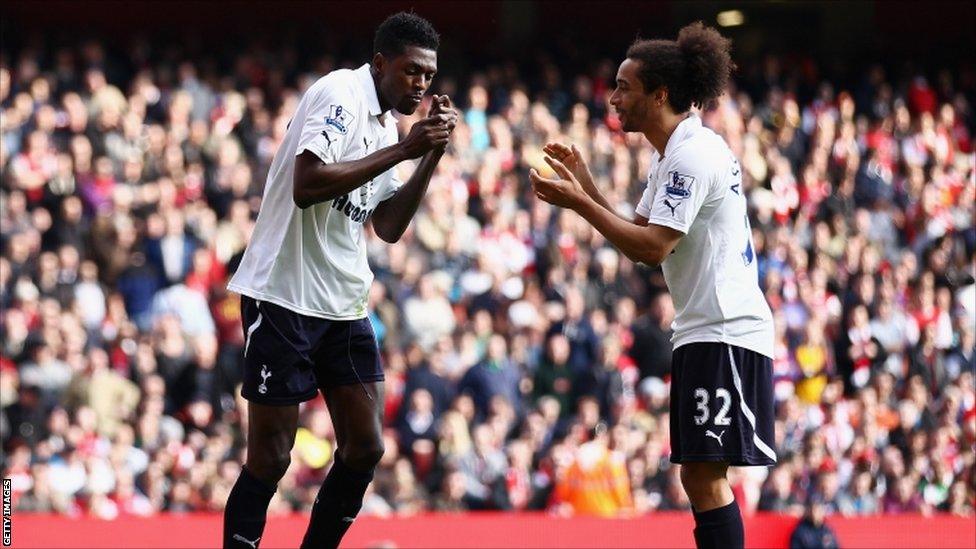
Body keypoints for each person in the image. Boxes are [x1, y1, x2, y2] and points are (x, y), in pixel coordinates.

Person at [530, 22, 775, 549]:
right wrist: (585, 185)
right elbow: (639, 235)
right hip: (702, 329)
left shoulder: (692, 156)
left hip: (726, 329)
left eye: (624, 87)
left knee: (706, 477)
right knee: (697, 476)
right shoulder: (671, 155)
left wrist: (577, 203)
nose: (613, 97)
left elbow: (650, 249)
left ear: (659, 94)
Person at [222, 12, 458, 549]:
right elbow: (307, 184)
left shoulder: (385, 126)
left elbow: (390, 226)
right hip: (283, 297)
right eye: (411, 72)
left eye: (428, 76)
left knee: (366, 446)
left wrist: (430, 154)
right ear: (380, 63)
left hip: (344, 307)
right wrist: (404, 149)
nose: (421, 85)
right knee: (271, 456)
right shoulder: (341, 94)